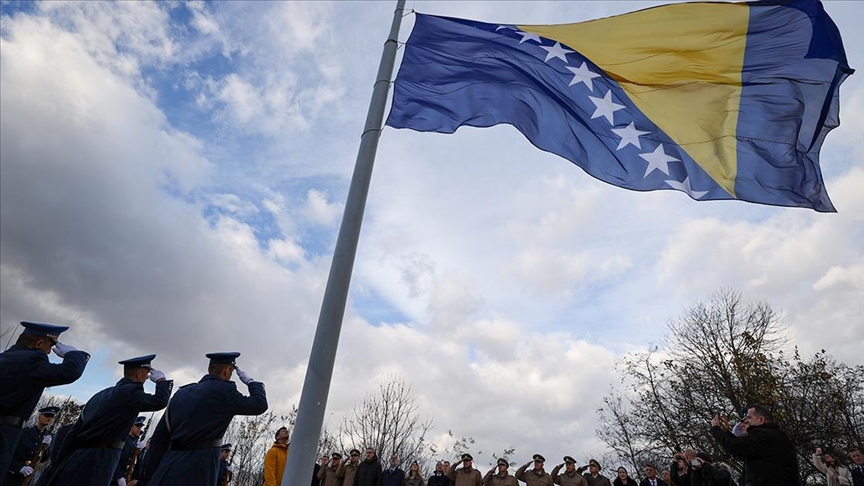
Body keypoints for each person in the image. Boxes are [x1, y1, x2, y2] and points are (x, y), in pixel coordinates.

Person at [42, 354, 171, 486]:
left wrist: (59, 462)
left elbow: (74, 432)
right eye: (147, 374)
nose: (147, 378)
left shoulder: (100, 395)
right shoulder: (130, 393)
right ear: (138, 374)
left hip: (77, 455)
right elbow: (159, 401)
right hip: (101, 458)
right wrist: (161, 381)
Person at [146, 352, 268, 485]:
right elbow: (259, 405)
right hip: (199, 469)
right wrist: (252, 383)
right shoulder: (225, 391)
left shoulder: (181, 393)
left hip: (168, 466)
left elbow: (160, 438)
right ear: (227, 371)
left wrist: (148, 476)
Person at [0, 322, 89, 476]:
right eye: (50, 345)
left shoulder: (6, 357)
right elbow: (69, 372)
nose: (48, 352)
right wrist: (74, 354)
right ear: (40, 343)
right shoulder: (32, 359)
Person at [710, 405, 799, 485]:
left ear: (761, 419)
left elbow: (735, 447)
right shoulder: (771, 435)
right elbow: (742, 449)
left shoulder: (764, 435)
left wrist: (716, 429)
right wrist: (726, 432)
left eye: (749, 418)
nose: (746, 421)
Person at [4, 406, 58, 486]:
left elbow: (43, 459)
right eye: (47, 415)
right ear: (39, 417)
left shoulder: (48, 437)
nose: (49, 419)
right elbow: (8, 453)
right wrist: (19, 467)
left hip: (28, 476)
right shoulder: (24, 433)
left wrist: (47, 448)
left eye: (51, 417)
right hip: (10, 474)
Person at [111, 416, 146, 486]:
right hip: (114, 476)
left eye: (140, 427)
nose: (139, 428)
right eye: (137, 426)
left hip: (124, 476)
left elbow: (132, 461)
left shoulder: (135, 442)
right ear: (131, 425)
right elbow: (114, 458)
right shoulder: (123, 439)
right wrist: (119, 476)